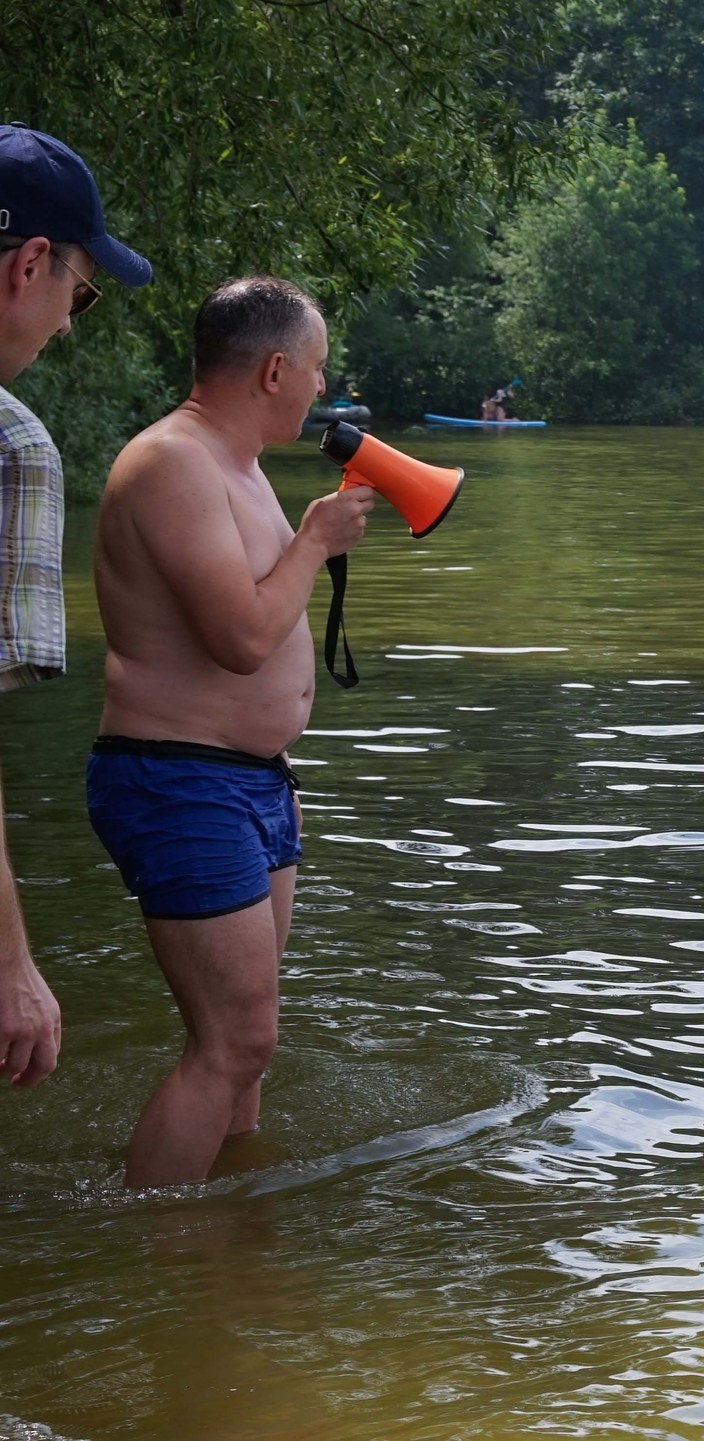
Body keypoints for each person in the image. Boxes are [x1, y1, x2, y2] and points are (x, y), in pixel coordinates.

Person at [89, 276, 375, 1187]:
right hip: (178, 777)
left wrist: (306, 540)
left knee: (245, 1052)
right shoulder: (172, 461)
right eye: (318, 370)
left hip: (250, 782)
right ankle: (158, 1267)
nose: (322, 389)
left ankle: (231, 1237)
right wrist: (317, 542)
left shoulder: (238, 468)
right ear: (276, 368)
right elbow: (243, 638)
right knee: (236, 1040)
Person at [0, 123, 154, 1090]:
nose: (66, 325)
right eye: (79, 293)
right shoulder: (13, 448)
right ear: (28, 265)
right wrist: (10, 961)